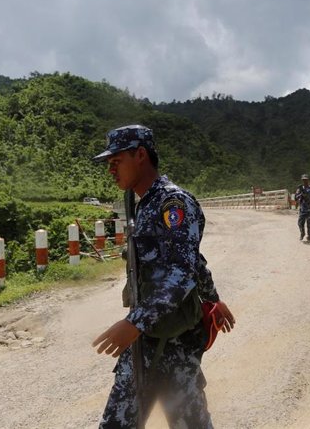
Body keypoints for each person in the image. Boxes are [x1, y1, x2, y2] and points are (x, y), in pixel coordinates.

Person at [91, 124, 235, 428]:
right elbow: (191, 260)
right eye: (109, 164)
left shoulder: (173, 203)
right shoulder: (141, 204)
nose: (111, 170)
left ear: (140, 155)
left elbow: (182, 269)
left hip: (175, 343)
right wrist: (214, 298)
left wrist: (133, 323)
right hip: (143, 342)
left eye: (116, 162)